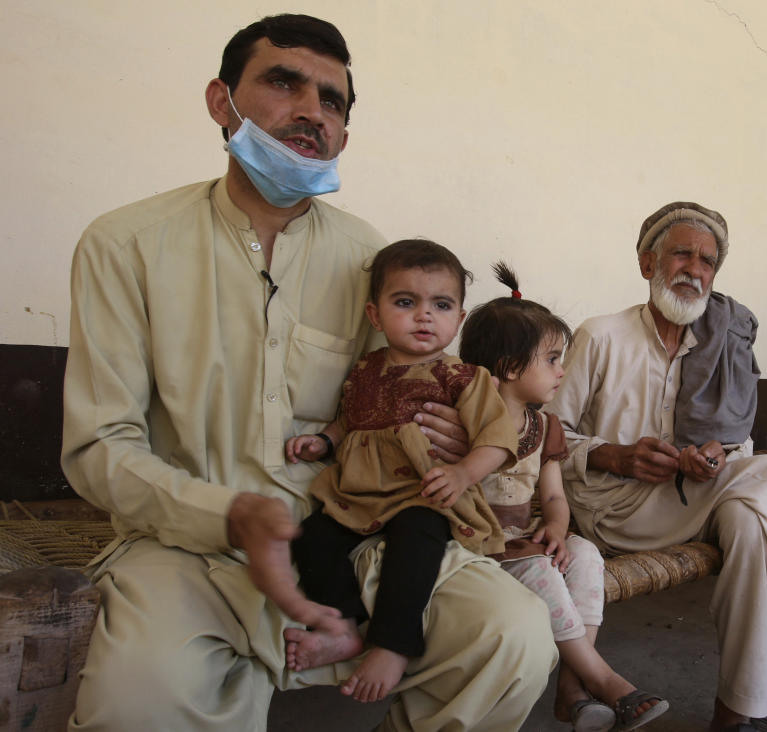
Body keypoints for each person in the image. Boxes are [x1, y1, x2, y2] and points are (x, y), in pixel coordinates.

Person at [60, 14, 555, 731]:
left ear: (344, 135)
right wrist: (225, 512)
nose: (310, 111)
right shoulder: (126, 245)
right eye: (283, 83)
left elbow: (407, 390)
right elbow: (99, 446)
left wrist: (447, 435)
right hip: (186, 545)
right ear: (219, 101)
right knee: (138, 700)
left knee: (512, 635)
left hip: (352, 531)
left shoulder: (369, 258)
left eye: (332, 101)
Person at [548, 201, 767, 732]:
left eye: (708, 261)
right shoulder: (601, 335)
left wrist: (713, 455)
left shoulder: (714, 345)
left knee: (748, 520)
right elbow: (547, 435)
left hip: (686, 499)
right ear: (648, 264)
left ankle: (735, 710)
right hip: (613, 510)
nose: (695, 270)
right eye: (682, 255)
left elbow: (736, 442)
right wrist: (613, 454)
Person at [281, 239, 517, 702]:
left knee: (416, 540)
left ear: (459, 318)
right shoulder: (365, 368)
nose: (424, 315)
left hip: (423, 492)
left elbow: (497, 439)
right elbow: (351, 418)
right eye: (406, 302)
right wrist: (325, 440)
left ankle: (393, 643)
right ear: (375, 315)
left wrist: (463, 474)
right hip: (358, 493)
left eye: (441, 304)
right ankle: (343, 625)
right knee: (312, 537)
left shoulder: (465, 378)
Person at [460, 262, 669, 731]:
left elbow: (553, 497)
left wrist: (556, 527)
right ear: (511, 368)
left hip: (523, 536)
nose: (561, 371)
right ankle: (605, 680)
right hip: (478, 544)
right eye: (553, 359)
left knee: (585, 555)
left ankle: (573, 684)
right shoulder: (466, 422)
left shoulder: (545, 426)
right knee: (539, 567)